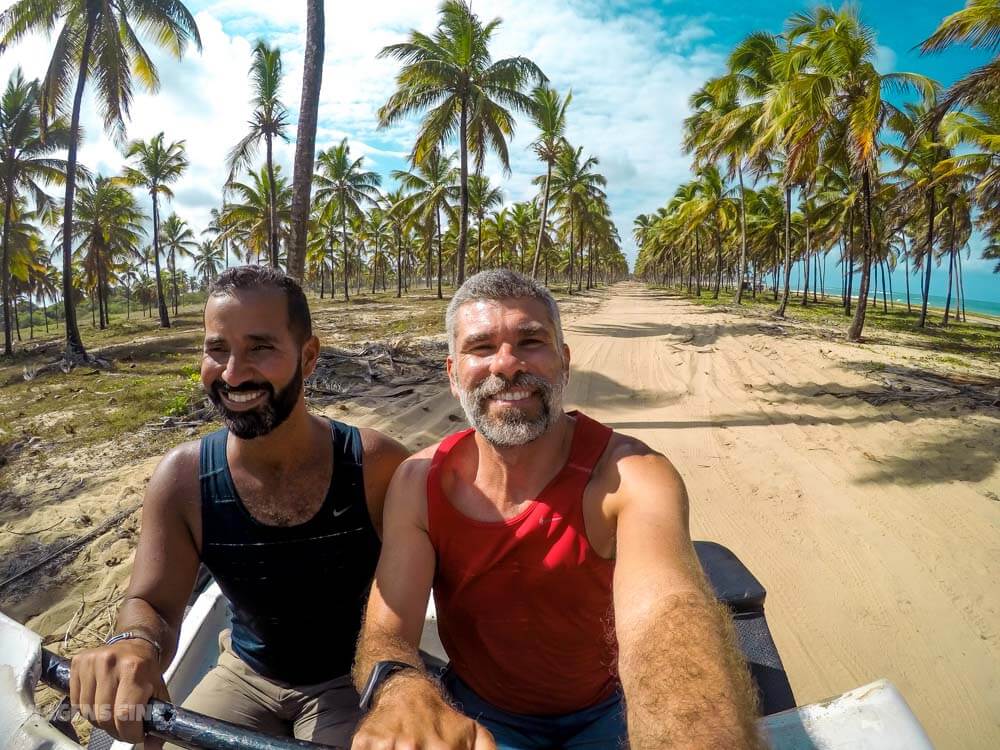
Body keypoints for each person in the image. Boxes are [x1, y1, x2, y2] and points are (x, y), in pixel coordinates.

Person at [351, 269, 764, 750]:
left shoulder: (630, 476)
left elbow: (667, 624)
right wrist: (400, 690)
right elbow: (387, 631)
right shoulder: (418, 484)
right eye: (481, 348)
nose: (506, 365)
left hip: (611, 709)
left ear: (564, 363)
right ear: (452, 375)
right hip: (483, 713)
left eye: (530, 342)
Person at [69, 266, 409, 749]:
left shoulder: (375, 466)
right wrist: (134, 645)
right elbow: (153, 604)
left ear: (308, 357)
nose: (232, 372)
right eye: (217, 349)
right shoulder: (183, 479)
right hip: (244, 672)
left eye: (260, 348)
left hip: (349, 678)